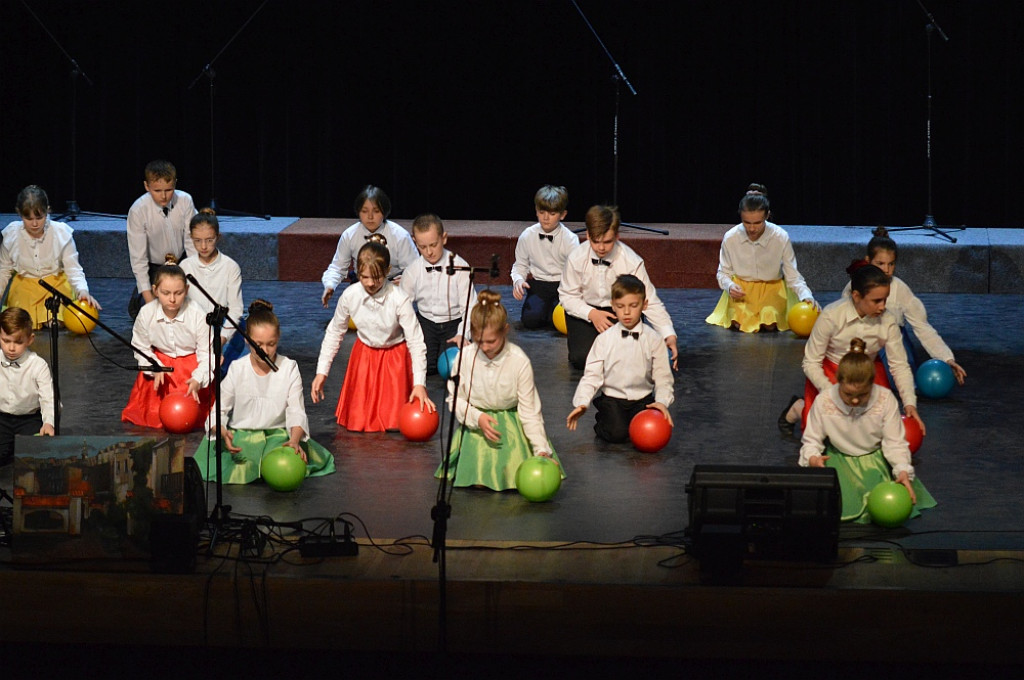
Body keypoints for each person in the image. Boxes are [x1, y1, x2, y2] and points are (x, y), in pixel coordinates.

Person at [193, 299, 335, 484]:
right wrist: (221, 430)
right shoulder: (237, 368)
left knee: (281, 465)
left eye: (271, 344)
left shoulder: (289, 367)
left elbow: (296, 411)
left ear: (278, 340)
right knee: (236, 466)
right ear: (247, 340)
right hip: (241, 437)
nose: (265, 350)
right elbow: (217, 411)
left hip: (277, 436)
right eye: (258, 344)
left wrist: (294, 440)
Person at [436, 290, 563, 490]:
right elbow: (455, 399)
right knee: (477, 479)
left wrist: (541, 450)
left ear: (505, 330)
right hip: (477, 422)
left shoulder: (519, 361)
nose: (484, 348)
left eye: (491, 341)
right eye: (479, 341)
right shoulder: (465, 358)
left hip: (512, 426)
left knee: (516, 476)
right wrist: (476, 417)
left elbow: (530, 410)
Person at [800, 338, 936, 523]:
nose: (855, 401)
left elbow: (894, 442)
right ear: (839, 382)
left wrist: (902, 470)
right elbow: (811, 440)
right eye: (848, 394)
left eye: (862, 395)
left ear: (872, 385)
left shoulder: (885, 399)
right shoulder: (824, 401)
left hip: (875, 464)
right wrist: (813, 458)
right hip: (838, 463)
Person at [779, 262, 923, 435]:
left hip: (867, 372)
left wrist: (909, 403)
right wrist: (831, 393)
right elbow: (810, 362)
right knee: (831, 435)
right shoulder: (831, 316)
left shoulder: (888, 320)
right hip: (831, 372)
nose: (883, 306)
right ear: (856, 296)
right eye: (876, 301)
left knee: (874, 434)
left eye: (885, 299)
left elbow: (899, 365)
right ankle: (799, 408)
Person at [312, 242, 435, 431]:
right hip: (364, 358)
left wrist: (419, 383)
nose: (370, 283)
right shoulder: (350, 295)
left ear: (387, 271)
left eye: (376, 277)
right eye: (364, 277)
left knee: (394, 423)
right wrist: (322, 372)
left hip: (394, 359)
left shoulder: (399, 298)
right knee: (358, 423)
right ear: (357, 272)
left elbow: (416, 341)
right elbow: (334, 332)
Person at [841, 226, 966, 385]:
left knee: (906, 381)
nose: (886, 270)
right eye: (880, 263)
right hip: (862, 339)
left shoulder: (900, 289)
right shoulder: (854, 288)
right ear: (868, 261)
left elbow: (923, 327)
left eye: (891, 264)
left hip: (894, 338)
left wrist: (947, 359)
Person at [558, 205, 678, 370]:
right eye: (596, 241)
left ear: (617, 236)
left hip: (621, 311)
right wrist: (592, 314)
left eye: (607, 242)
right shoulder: (576, 258)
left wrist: (668, 333)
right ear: (587, 235)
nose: (601, 248)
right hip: (585, 311)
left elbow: (649, 300)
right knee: (582, 359)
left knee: (628, 359)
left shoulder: (631, 261)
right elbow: (567, 296)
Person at [567, 275, 674, 443]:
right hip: (613, 399)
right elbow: (592, 375)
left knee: (648, 435)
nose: (626, 312)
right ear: (612, 306)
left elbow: (662, 376)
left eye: (633, 306)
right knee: (617, 434)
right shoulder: (604, 339)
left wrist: (661, 402)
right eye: (620, 306)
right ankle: (603, 419)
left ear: (644, 305)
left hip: (643, 399)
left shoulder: (653, 339)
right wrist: (582, 403)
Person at [706, 183, 817, 333]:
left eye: (757, 223)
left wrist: (806, 296)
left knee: (769, 321)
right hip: (742, 289)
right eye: (747, 223)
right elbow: (723, 273)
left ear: (767, 216)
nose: (752, 228)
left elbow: (793, 275)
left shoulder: (780, 237)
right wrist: (730, 286)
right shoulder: (731, 237)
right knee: (739, 323)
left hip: (772, 288)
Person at [121, 257, 214, 430]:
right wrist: (153, 365)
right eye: (166, 293)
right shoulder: (146, 313)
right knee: (153, 416)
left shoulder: (198, 314)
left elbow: (207, 353)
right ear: (155, 290)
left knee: (194, 416)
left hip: (190, 369)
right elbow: (141, 347)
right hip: (160, 367)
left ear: (186, 290)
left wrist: (198, 379)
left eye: (178, 293)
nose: (172, 299)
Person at [0, 185, 101, 329]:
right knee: (21, 325)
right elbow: (3, 271)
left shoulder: (61, 234)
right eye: (28, 218)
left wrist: (82, 291)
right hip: (25, 287)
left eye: (39, 217)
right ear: (19, 213)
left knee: (56, 322)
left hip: (55, 285)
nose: (34, 223)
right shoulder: (11, 235)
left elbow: (73, 269)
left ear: (48, 210)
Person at [399, 214, 477, 375]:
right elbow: (401, 306)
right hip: (426, 322)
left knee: (453, 368)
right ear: (415, 242)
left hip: (454, 322)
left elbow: (470, 307)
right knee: (424, 367)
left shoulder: (460, 267)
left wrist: (463, 333)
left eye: (433, 245)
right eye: (422, 247)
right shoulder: (412, 271)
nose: (429, 252)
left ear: (444, 238)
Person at [320, 185, 417, 308]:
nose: (370, 217)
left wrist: (406, 281)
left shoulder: (400, 235)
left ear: (384, 212)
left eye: (376, 211)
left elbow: (415, 269)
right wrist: (330, 286)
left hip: (392, 283)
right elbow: (337, 267)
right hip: (362, 283)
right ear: (358, 212)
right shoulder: (349, 235)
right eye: (365, 211)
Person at [126, 160, 198, 319]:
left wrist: (195, 283)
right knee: (147, 310)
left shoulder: (185, 201)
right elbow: (138, 259)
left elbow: (192, 245)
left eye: (169, 190)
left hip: (182, 263)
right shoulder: (138, 210)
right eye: (157, 191)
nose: (164, 196)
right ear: (146, 186)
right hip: (155, 269)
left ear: (175, 183)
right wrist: (149, 300)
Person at [178, 208, 246, 367]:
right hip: (193, 331)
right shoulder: (185, 266)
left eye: (209, 240)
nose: (203, 246)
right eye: (197, 240)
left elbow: (236, 309)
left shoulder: (230, 267)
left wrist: (220, 341)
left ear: (218, 237)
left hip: (223, 329)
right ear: (191, 238)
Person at [511, 185, 579, 329]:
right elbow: (520, 265)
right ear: (536, 211)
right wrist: (518, 280)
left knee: (562, 321)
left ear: (562, 215)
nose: (546, 218)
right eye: (542, 212)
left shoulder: (570, 239)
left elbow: (576, 272)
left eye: (552, 213)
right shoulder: (527, 235)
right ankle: (545, 312)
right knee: (530, 321)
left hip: (562, 287)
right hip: (539, 285)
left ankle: (550, 312)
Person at [0, 307, 55, 466]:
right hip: (2, 417)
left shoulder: (38, 365)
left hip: (29, 418)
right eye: (6, 341)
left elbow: (48, 398)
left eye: (18, 342)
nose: (11, 348)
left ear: (30, 339)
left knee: (34, 460)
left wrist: (48, 422)